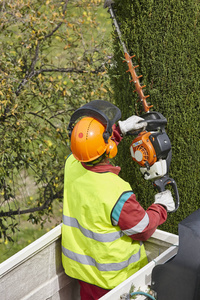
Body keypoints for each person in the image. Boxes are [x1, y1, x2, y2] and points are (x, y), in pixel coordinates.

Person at [61, 100, 175, 300]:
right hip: (115, 280)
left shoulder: (72, 165)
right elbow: (142, 228)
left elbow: (90, 148)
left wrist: (120, 129)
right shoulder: (116, 192)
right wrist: (161, 206)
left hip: (85, 274)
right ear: (109, 149)